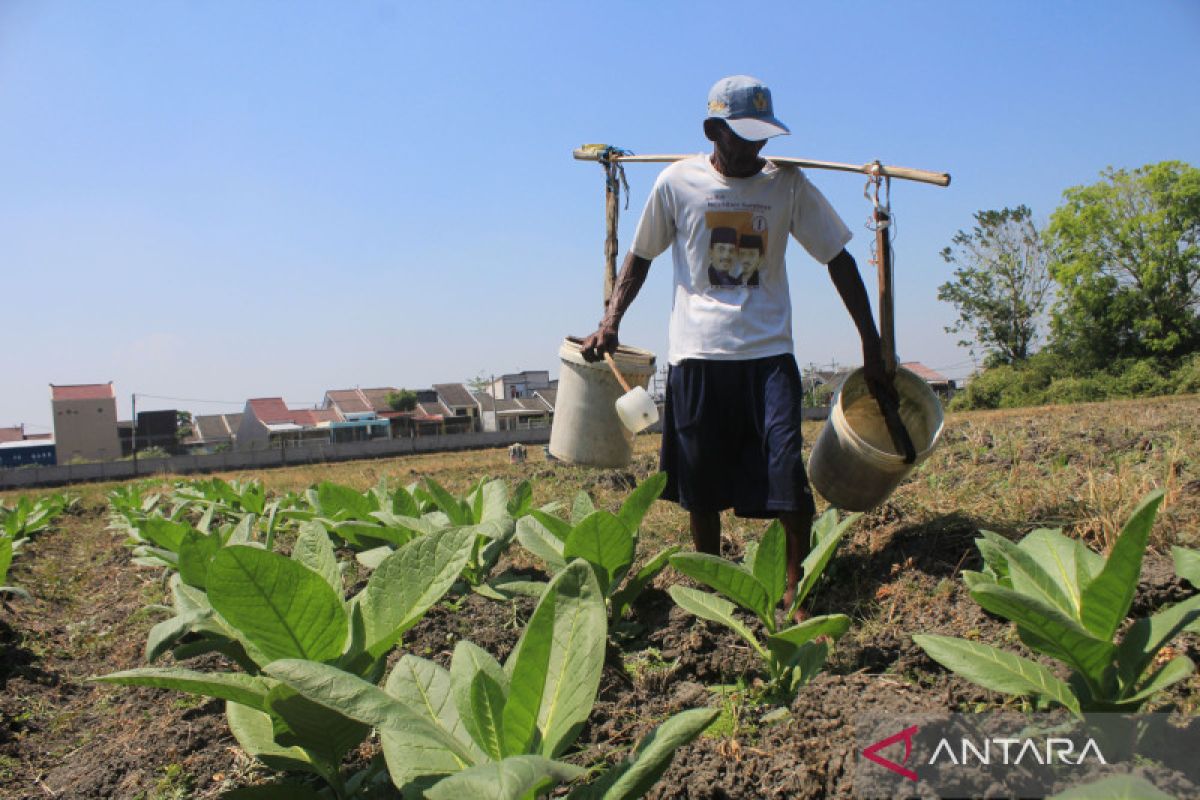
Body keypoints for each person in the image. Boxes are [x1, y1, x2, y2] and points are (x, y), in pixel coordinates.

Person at [579, 75, 896, 611]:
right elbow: (640, 258)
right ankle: (714, 584)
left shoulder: (786, 186)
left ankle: (795, 586)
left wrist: (872, 342)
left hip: (768, 355)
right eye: (742, 136)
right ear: (713, 131)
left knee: (784, 472)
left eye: (762, 137)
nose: (755, 148)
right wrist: (610, 321)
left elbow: (838, 258)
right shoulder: (676, 184)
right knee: (699, 485)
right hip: (697, 357)